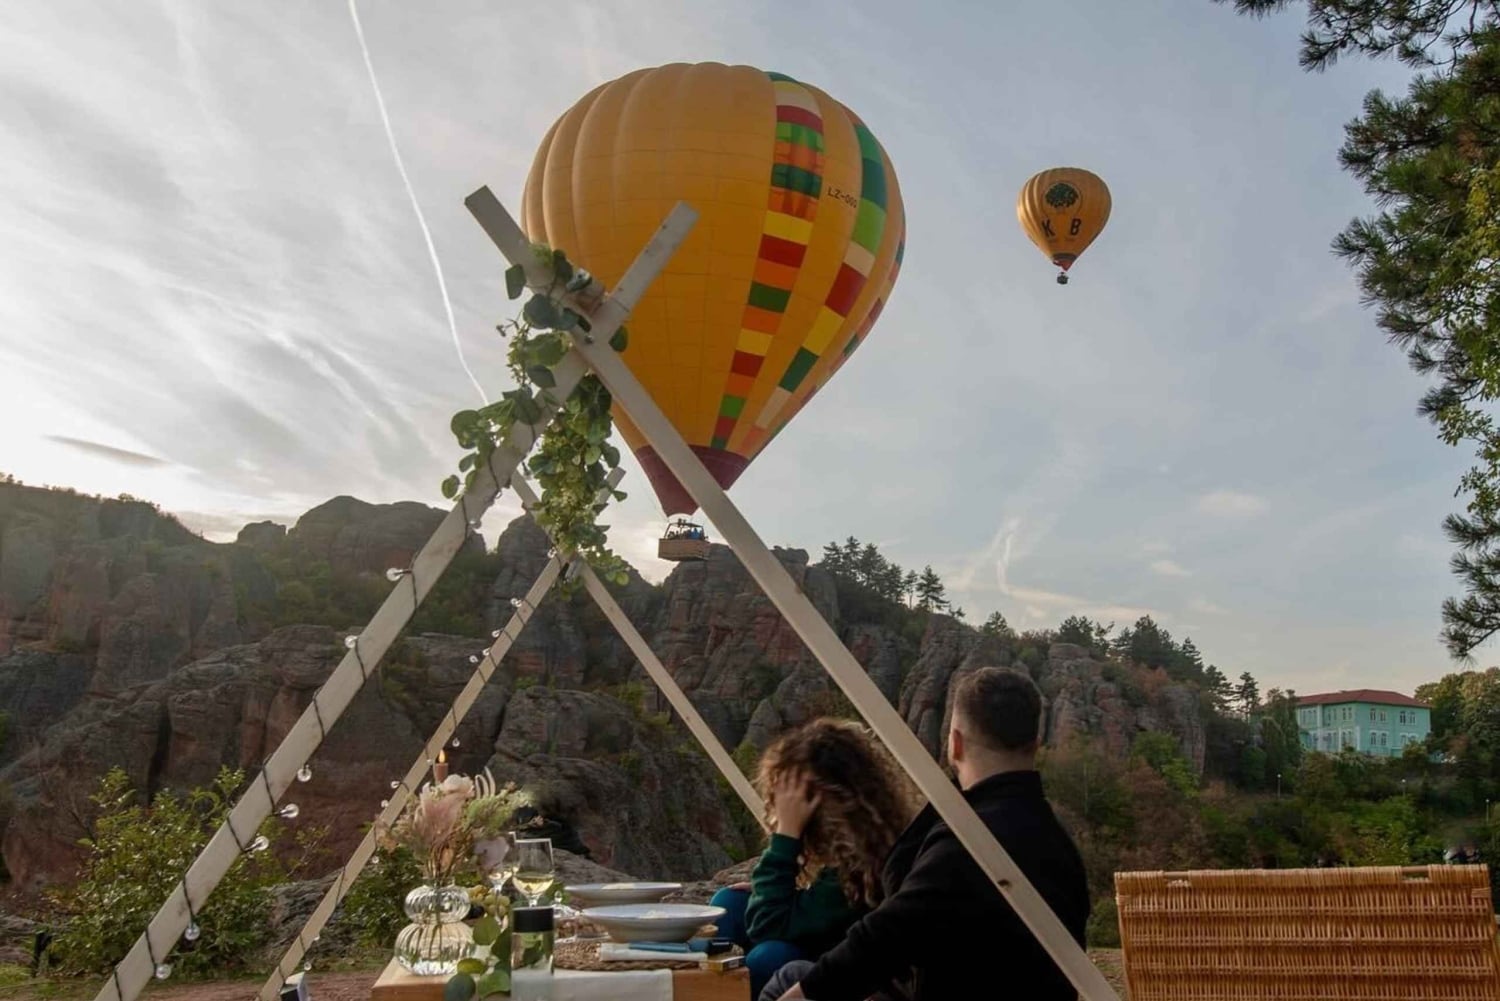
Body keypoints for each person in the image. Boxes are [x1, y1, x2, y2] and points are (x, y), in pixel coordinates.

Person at [763, 667, 1090, 1001]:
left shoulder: (971, 844)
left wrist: (803, 994)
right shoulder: (1055, 838)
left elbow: (883, 938)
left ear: (955, 743)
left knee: (787, 980)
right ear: (1035, 744)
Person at [711, 718, 917, 1000]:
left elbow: (767, 925)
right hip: (828, 942)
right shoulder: (869, 841)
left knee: (769, 956)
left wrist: (787, 834)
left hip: (845, 970)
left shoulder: (860, 867)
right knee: (730, 903)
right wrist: (776, 889)